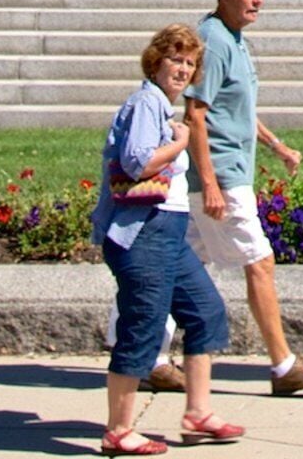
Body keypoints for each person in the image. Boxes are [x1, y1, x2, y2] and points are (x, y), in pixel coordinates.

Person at [150, 0, 303, 397]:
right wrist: (212, 184)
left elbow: (238, 109)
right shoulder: (214, 41)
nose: (258, 0)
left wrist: (277, 147)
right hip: (221, 175)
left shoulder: (236, 40)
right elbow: (196, 114)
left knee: (180, 266)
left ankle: (151, 359)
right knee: (260, 262)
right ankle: (284, 366)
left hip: (229, 171)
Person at [94, 25, 238, 455]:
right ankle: (118, 431)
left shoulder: (161, 108)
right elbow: (136, 163)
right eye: (175, 59)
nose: (182, 68)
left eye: (189, 63)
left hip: (169, 231)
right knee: (143, 324)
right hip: (144, 233)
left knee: (205, 311)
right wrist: (181, 144)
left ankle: (197, 414)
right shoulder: (145, 103)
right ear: (155, 61)